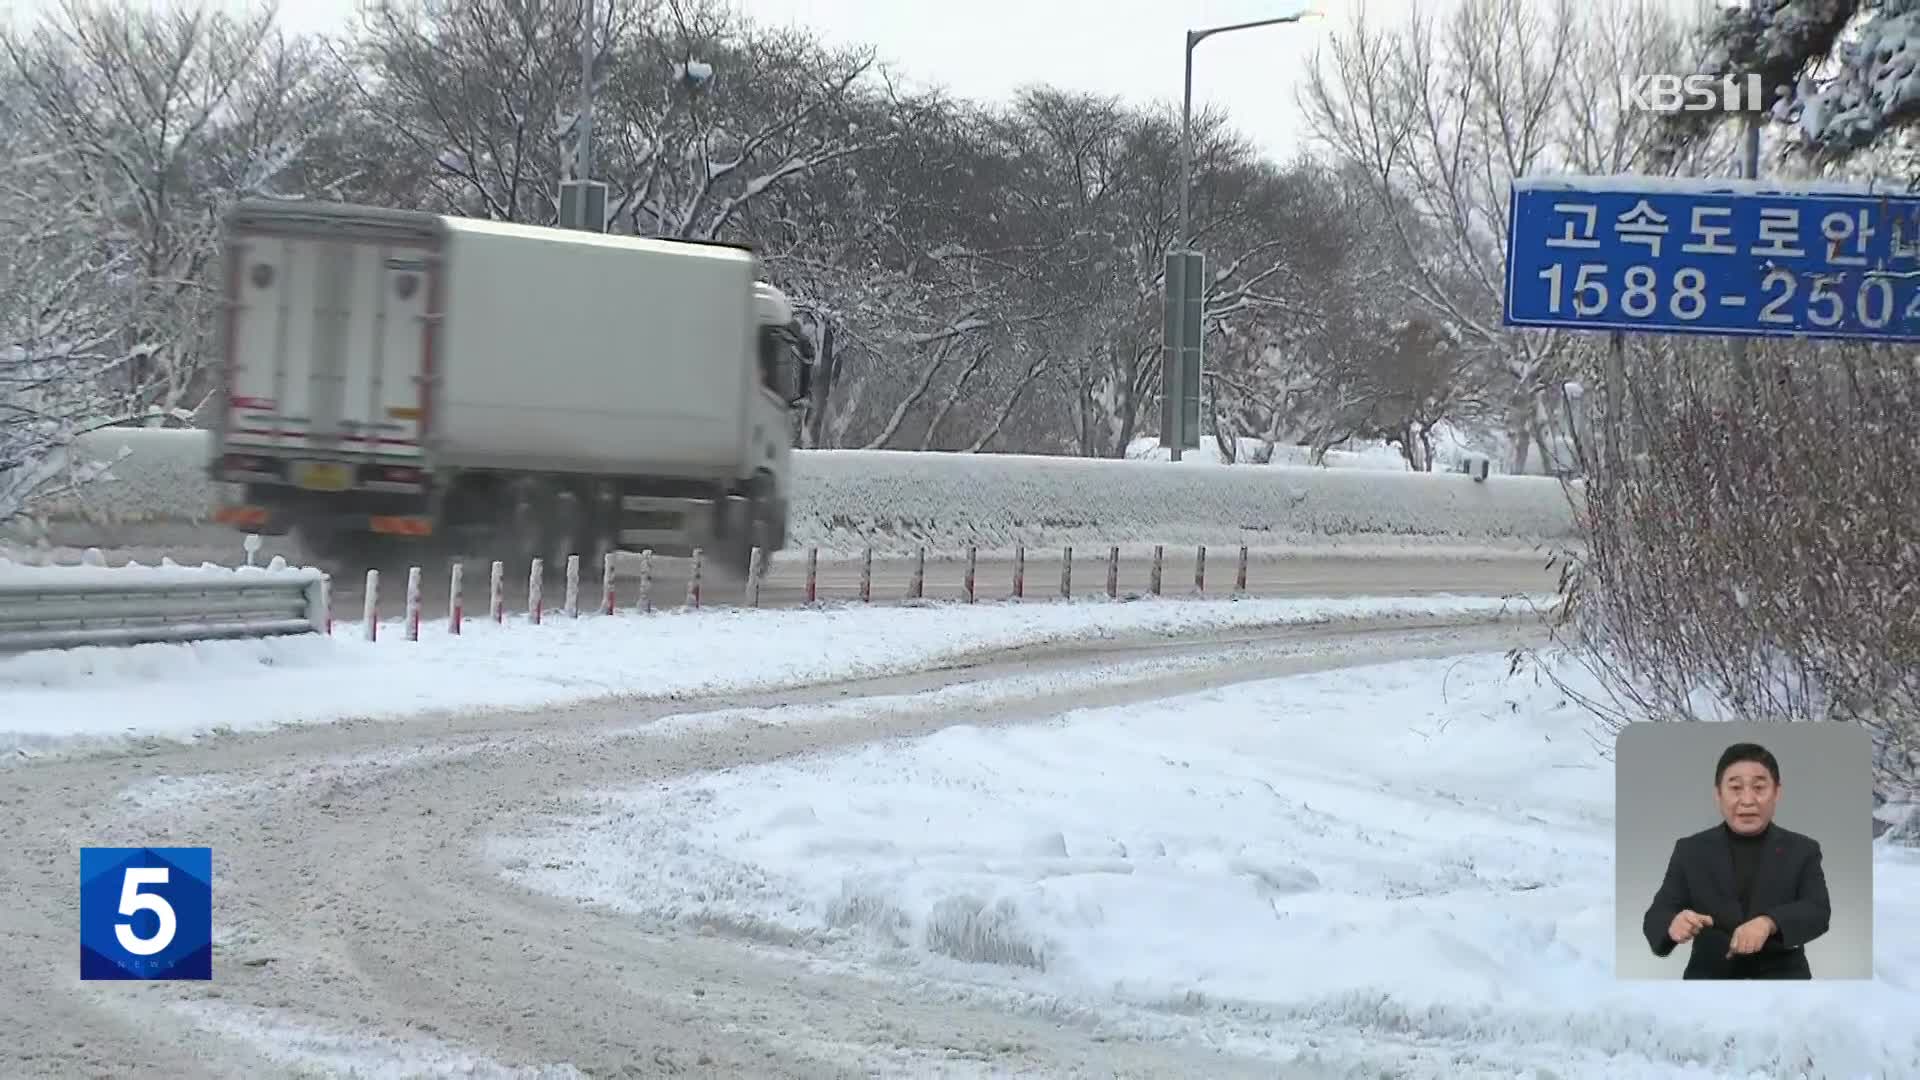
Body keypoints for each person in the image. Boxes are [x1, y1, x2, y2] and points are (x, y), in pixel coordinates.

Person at [1641, 741, 1831, 979]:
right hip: (1708, 982)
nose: (1748, 800)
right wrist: (1672, 924)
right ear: (1718, 794)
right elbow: (1658, 913)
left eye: (1759, 788)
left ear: (1777, 792)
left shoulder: (1803, 849)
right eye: (1736, 788)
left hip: (1784, 985)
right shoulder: (1690, 850)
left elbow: (1818, 910)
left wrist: (1769, 922)